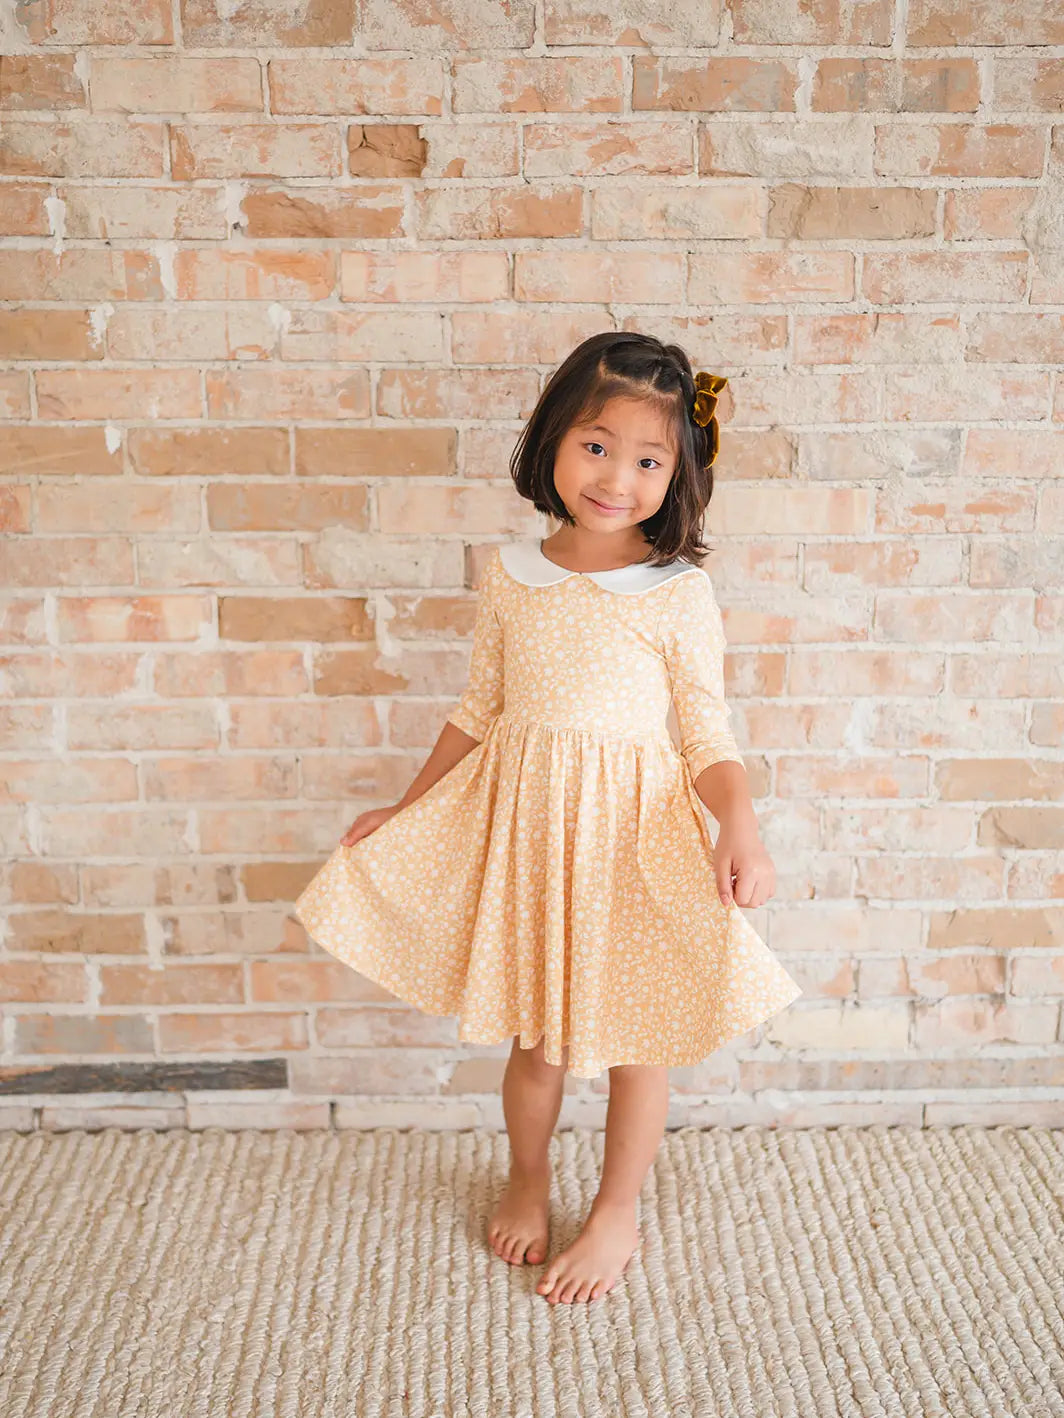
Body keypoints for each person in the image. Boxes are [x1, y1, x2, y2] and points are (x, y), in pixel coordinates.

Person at [293, 330, 803, 1306]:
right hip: (531, 835)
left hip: (631, 839)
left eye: (648, 459)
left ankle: (616, 1209)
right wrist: (406, 807)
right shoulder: (510, 574)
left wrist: (740, 824)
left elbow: (706, 732)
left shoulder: (676, 592)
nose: (615, 476)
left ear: (680, 473)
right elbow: (477, 708)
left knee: (638, 1040)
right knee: (535, 1039)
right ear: (553, 439)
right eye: (596, 446)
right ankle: (526, 1176)